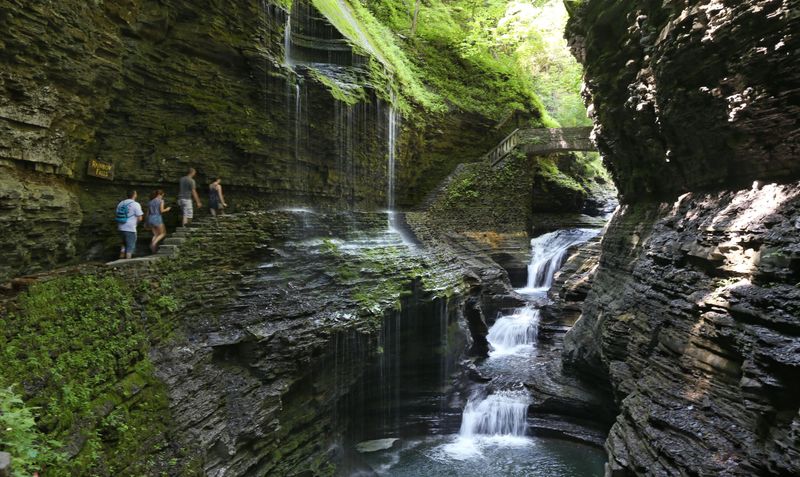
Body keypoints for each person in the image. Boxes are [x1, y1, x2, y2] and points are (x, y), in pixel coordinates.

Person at [116, 190, 143, 259]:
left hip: (120, 227)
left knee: (123, 244)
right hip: (130, 228)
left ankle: (120, 259)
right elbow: (140, 218)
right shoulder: (135, 204)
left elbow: (117, 214)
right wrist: (136, 224)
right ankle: (127, 262)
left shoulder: (121, 203)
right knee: (130, 247)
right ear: (134, 195)